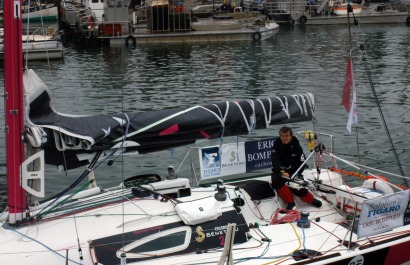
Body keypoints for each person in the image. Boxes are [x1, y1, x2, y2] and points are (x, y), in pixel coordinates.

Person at [271, 126, 322, 210]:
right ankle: (291, 202)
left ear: (290, 136)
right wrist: (282, 171)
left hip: (294, 170)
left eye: (286, 136)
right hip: (281, 171)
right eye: (282, 136)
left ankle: (311, 200)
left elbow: (302, 162)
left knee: (298, 183)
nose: (284, 138)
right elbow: (275, 162)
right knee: (276, 180)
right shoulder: (275, 147)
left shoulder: (297, 147)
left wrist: (296, 173)